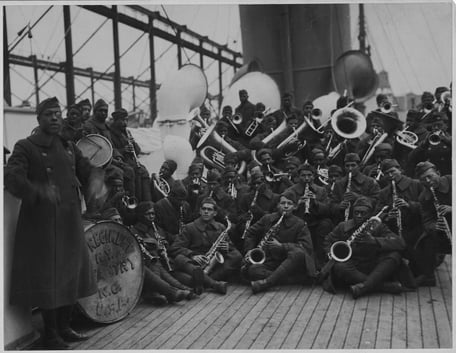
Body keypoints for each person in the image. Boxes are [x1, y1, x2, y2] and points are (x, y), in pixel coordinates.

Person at [4, 97, 105, 349]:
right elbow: (12, 178)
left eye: (57, 113)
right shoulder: (25, 146)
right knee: (48, 280)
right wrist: (38, 191)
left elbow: (86, 168)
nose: (55, 118)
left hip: (69, 221)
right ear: (38, 119)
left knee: (70, 275)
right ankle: (50, 334)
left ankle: (64, 327)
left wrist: (95, 180)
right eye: (49, 114)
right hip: (42, 227)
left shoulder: (68, 145)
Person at [323, 197, 406, 298]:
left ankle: (364, 286)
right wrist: (329, 253)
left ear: (370, 214)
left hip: (373, 265)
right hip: (353, 265)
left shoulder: (379, 227)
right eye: (356, 212)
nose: (359, 216)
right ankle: (383, 286)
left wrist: (375, 241)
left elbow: (400, 243)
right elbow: (328, 240)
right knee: (339, 267)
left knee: (394, 256)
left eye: (363, 213)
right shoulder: (343, 226)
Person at [242, 191, 316, 294]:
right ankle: (293, 280)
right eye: (283, 203)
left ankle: (267, 282)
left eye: (289, 204)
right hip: (270, 262)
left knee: (298, 253)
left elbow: (306, 247)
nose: (285, 206)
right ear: (277, 205)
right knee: (253, 270)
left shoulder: (300, 224)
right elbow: (250, 233)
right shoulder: (267, 218)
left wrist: (282, 246)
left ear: (294, 207)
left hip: (289, 263)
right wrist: (249, 250)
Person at [169, 197, 243, 294]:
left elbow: (231, 248)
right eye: (204, 209)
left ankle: (201, 280)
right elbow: (175, 248)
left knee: (237, 256)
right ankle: (211, 283)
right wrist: (192, 255)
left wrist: (227, 247)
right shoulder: (190, 227)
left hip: (214, 266)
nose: (206, 212)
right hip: (195, 264)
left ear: (215, 213)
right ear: (200, 211)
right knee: (179, 258)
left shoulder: (220, 227)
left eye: (209, 209)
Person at [130, 201, 195, 304]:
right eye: (148, 214)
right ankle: (176, 290)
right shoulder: (134, 230)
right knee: (159, 269)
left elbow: (171, 238)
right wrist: (153, 244)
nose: (151, 217)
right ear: (141, 215)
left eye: (153, 214)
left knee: (181, 276)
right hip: (148, 264)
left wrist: (165, 243)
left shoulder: (157, 228)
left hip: (163, 262)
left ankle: (172, 291)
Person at [376, 159, 423, 270]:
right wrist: (387, 217)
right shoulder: (384, 193)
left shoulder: (416, 184)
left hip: (416, 228)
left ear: (400, 170)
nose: (390, 175)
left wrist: (410, 205)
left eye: (393, 171)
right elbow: (376, 214)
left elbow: (429, 208)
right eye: (387, 173)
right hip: (394, 230)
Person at [285, 164, 333, 269]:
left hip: (315, 223)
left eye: (309, 175)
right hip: (298, 223)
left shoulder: (321, 190)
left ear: (314, 176)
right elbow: (282, 209)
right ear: (298, 177)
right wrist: (297, 205)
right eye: (303, 175)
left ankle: (320, 260)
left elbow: (328, 210)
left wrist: (315, 203)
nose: (306, 178)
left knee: (326, 223)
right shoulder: (290, 191)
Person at [413, 161, 451, 286]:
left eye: (430, 176)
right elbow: (427, 220)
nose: (428, 181)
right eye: (424, 179)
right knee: (425, 240)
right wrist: (434, 226)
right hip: (446, 230)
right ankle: (428, 275)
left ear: (438, 173)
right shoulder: (424, 197)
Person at [109, 108, 151, 202]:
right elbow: (110, 151)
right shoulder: (110, 133)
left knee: (144, 171)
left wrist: (133, 144)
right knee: (134, 171)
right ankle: (135, 200)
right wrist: (123, 150)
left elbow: (138, 151)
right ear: (116, 121)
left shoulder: (127, 132)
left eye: (126, 120)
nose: (125, 123)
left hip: (130, 161)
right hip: (119, 162)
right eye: (123, 120)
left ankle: (146, 202)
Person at [330, 153, 380, 223]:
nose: (350, 168)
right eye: (347, 166)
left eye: (353, 165)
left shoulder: (370, 182)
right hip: (343, 220)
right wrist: (339, 206)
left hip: (365, 219)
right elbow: (332, 204)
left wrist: (358, 197)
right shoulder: (339, 184)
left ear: (359, 166)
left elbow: (377, 201)